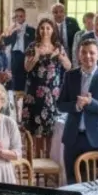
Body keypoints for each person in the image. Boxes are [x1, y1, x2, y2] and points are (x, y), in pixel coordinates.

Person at [56, 39, 98, 182]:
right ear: (79, 55)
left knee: (94, 183)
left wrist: (91, 103)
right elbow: (60, 105)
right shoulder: (70, 76)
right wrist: (76, 106)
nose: (87, 56)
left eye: (91, 52)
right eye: (83, 52)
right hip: (73, 137)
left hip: (96, 140)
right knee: (72, 181)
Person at [22, 18, 70, 159]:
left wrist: (60, 57)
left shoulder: (58, 46)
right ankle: (36, 159)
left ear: (53, 30)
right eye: (42, 28)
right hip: (35, 93)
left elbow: (69, 66)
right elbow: (27, 68)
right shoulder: (32, 47)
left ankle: (49, 158)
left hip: (53, 94)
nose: (45, 31)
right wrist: (36, 56)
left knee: (50, 129)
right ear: (38, 30)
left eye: (48, 28)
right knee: (36, 129)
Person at [3, 7, 35, 92]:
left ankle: (25, 93)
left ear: (24, 17)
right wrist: (12, 31)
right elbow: (6, 42)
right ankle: (16, 93)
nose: (19, 18)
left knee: (26, 77)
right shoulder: (11, 28)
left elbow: (33, 43)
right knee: (15, 77)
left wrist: (23, 33)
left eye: (21, 16)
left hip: (26, 54)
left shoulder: (31, 29)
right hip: (15, 54)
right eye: (17, 16)